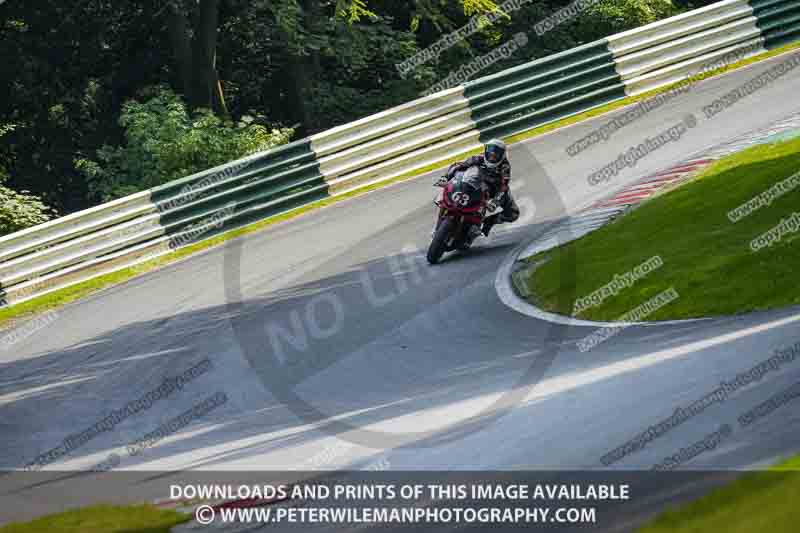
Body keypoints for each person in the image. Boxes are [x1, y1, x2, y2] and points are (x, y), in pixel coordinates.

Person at [441, 139, 519, 236]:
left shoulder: (505, 167)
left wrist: (495, 201)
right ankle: (444, 205)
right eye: (490, 152)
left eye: (496, 154)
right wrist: (445, 177)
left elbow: (504, 186)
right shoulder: (479, 158)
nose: (492, 155)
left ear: (502, 155)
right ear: (486, 150)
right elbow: (458, 165)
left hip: (494, 189)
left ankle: (488, 222)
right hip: (473, 183)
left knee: (513, 214)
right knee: (454, 181)